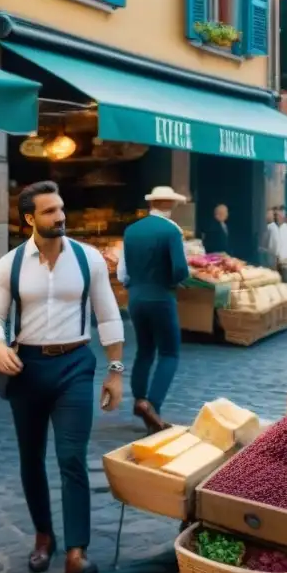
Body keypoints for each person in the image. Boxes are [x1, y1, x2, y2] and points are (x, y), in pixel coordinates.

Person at [0, 181, 124, 573]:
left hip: (75, 365)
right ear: (29, 218)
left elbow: (108, 314)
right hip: (25, 369)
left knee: (71, 457)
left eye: (60, 208)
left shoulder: (88, 259)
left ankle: (77, 553)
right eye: (48, 211)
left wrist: (115, 370)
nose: (59, 216)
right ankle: (44, 534)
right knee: (31, 458)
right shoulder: (9, 264)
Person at [118, 186, 190, 434]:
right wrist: (173, 282)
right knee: (169, 353)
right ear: (170, 204)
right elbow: (180, 269)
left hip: (136, 298)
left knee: (144, 350)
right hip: (161, 296)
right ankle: (153, 406)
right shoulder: (171, 231)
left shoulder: (131, 230)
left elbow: (122, 271)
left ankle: (139, 399)